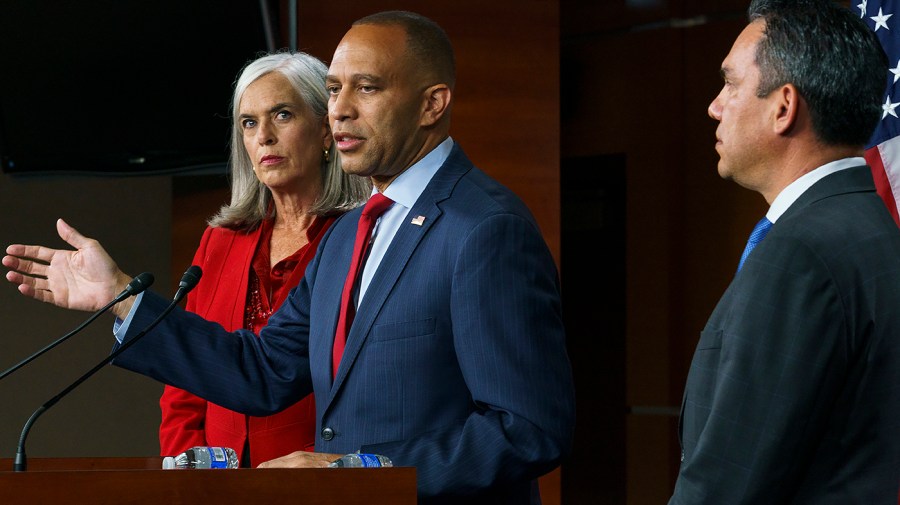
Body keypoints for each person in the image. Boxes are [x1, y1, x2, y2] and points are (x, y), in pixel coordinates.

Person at [3, 10, 575, 504]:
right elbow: (263, 370)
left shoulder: (485, 229)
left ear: (433, 104)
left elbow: (527, 429)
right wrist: (121, 298)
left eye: (367, 88)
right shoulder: (353, 234)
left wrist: (358, 471)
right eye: (333, 89)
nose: (340, 111)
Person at [670, 0, 900, 503]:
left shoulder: (800, 254)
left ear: (783, 106)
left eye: (730, 84)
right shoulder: (871, 229)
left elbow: (728, 482)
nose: (715, 105)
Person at [157, 51, 370, 467]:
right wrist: (187, 471)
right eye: (249, 123)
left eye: (283, 115)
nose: (263, 137)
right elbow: (184, 385)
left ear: (326, 130)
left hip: (319, 480)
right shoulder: (220, 241)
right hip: (219, 487)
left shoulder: (360, 236)